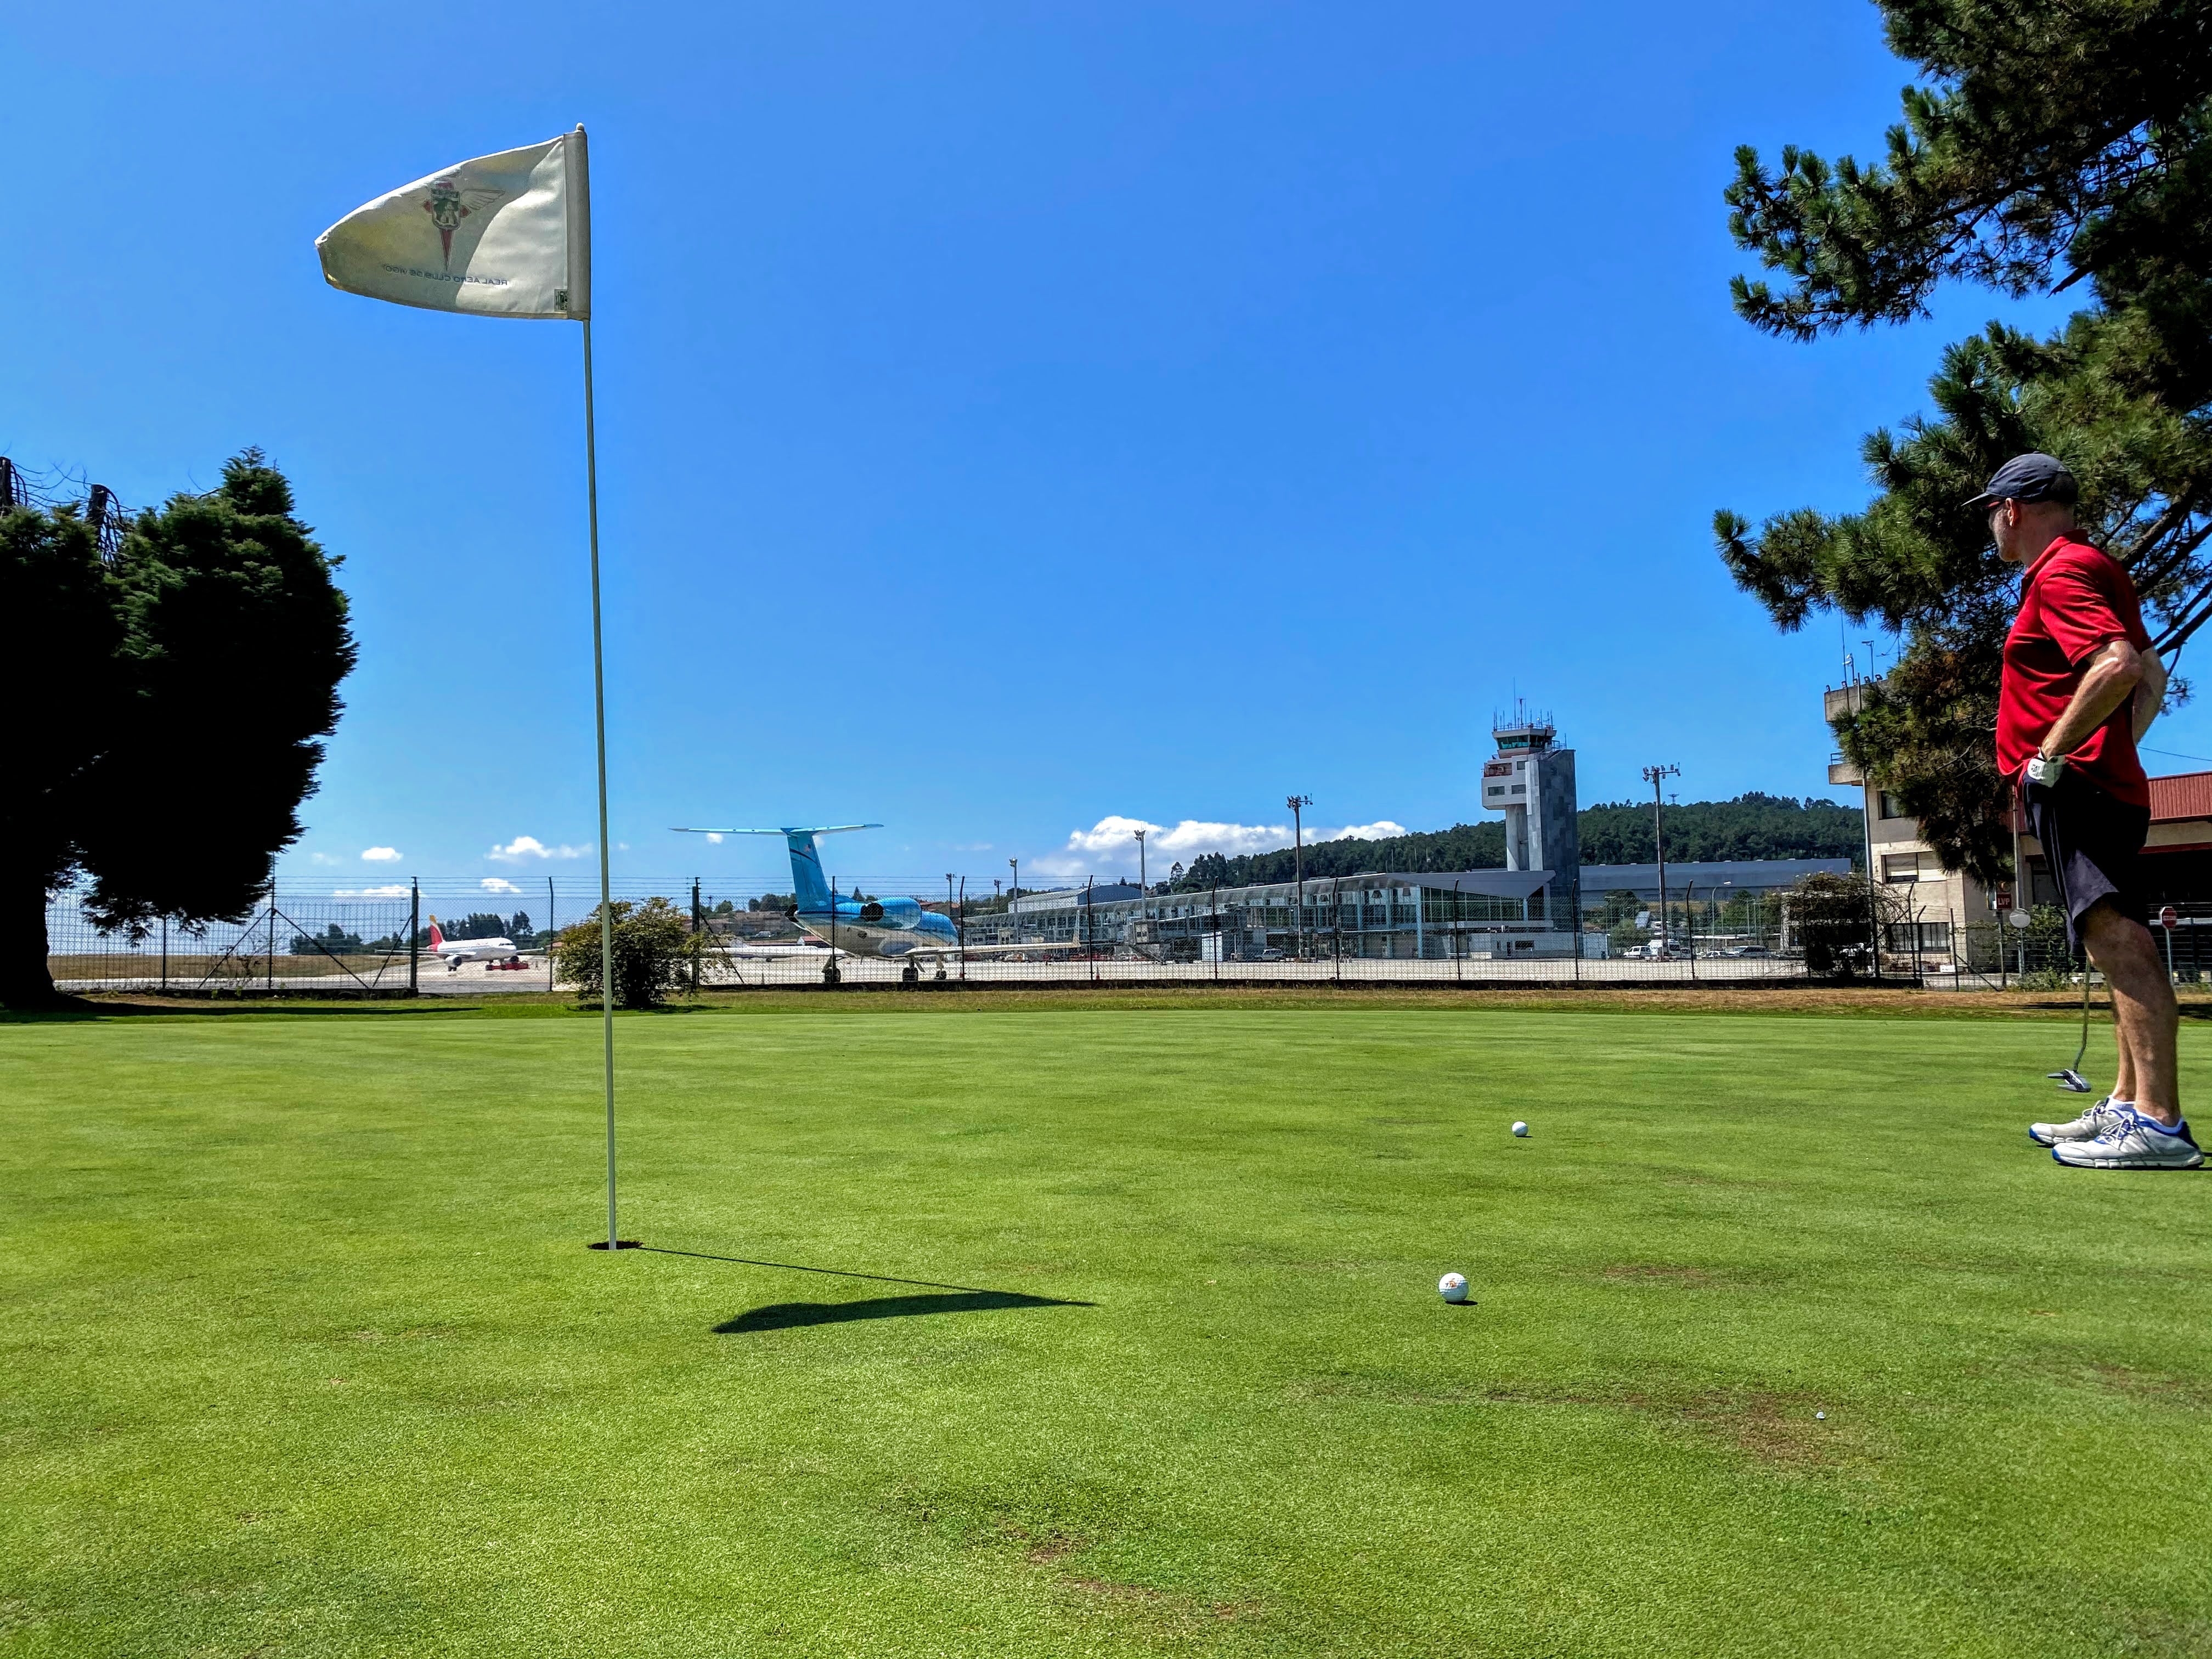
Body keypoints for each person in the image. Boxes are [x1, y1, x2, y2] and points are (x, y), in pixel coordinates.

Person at [1979, 453, 2202, 1169]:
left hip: (2076, 787)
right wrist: (2112, 750)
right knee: (2114, 942)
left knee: (2119, 941)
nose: (1992, 523)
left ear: (2013, 510)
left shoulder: (2062, 571)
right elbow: (2152, 672)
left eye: (1993, 510)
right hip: (2096, 782)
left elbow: (2118, 667)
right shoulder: (2088, 565)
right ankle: (2130, 1104)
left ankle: (2160, 1125)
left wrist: (2055, 754)